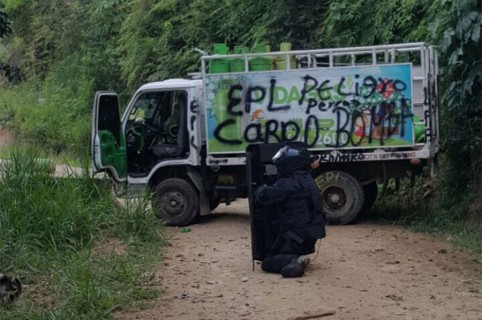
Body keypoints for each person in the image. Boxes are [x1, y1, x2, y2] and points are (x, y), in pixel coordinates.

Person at [254, 145, 327, 278]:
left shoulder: (288, 182)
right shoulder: (307, 179)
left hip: (295, 237)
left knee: (268, 263)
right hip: (309, 237)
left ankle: (293, 261)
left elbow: (264, 197)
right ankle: (297, 256)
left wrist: (261, 187)